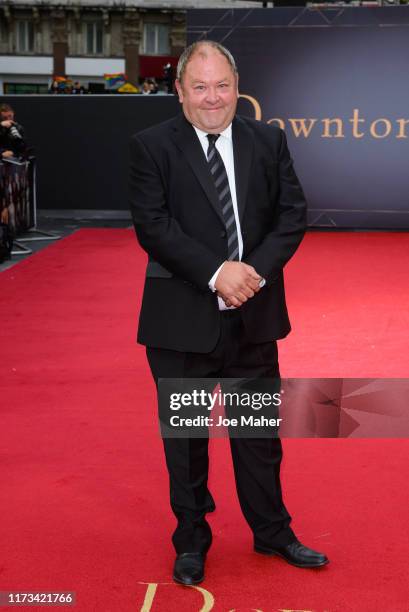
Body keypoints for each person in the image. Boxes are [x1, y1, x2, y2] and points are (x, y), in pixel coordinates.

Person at [128, 40, 328, 586]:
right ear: (179, 91)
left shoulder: (268, 140)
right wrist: (219, 272)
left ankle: (273, 532)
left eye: (222, 86)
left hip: (254, 318)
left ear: (238, 88)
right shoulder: (152, 146)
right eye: (200, 87)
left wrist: (251, 274)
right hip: (181, 322)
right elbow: (154, 226)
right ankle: (191, 540)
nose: (212, 98)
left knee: (259, 436)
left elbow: (291, 215)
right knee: (187, 441)